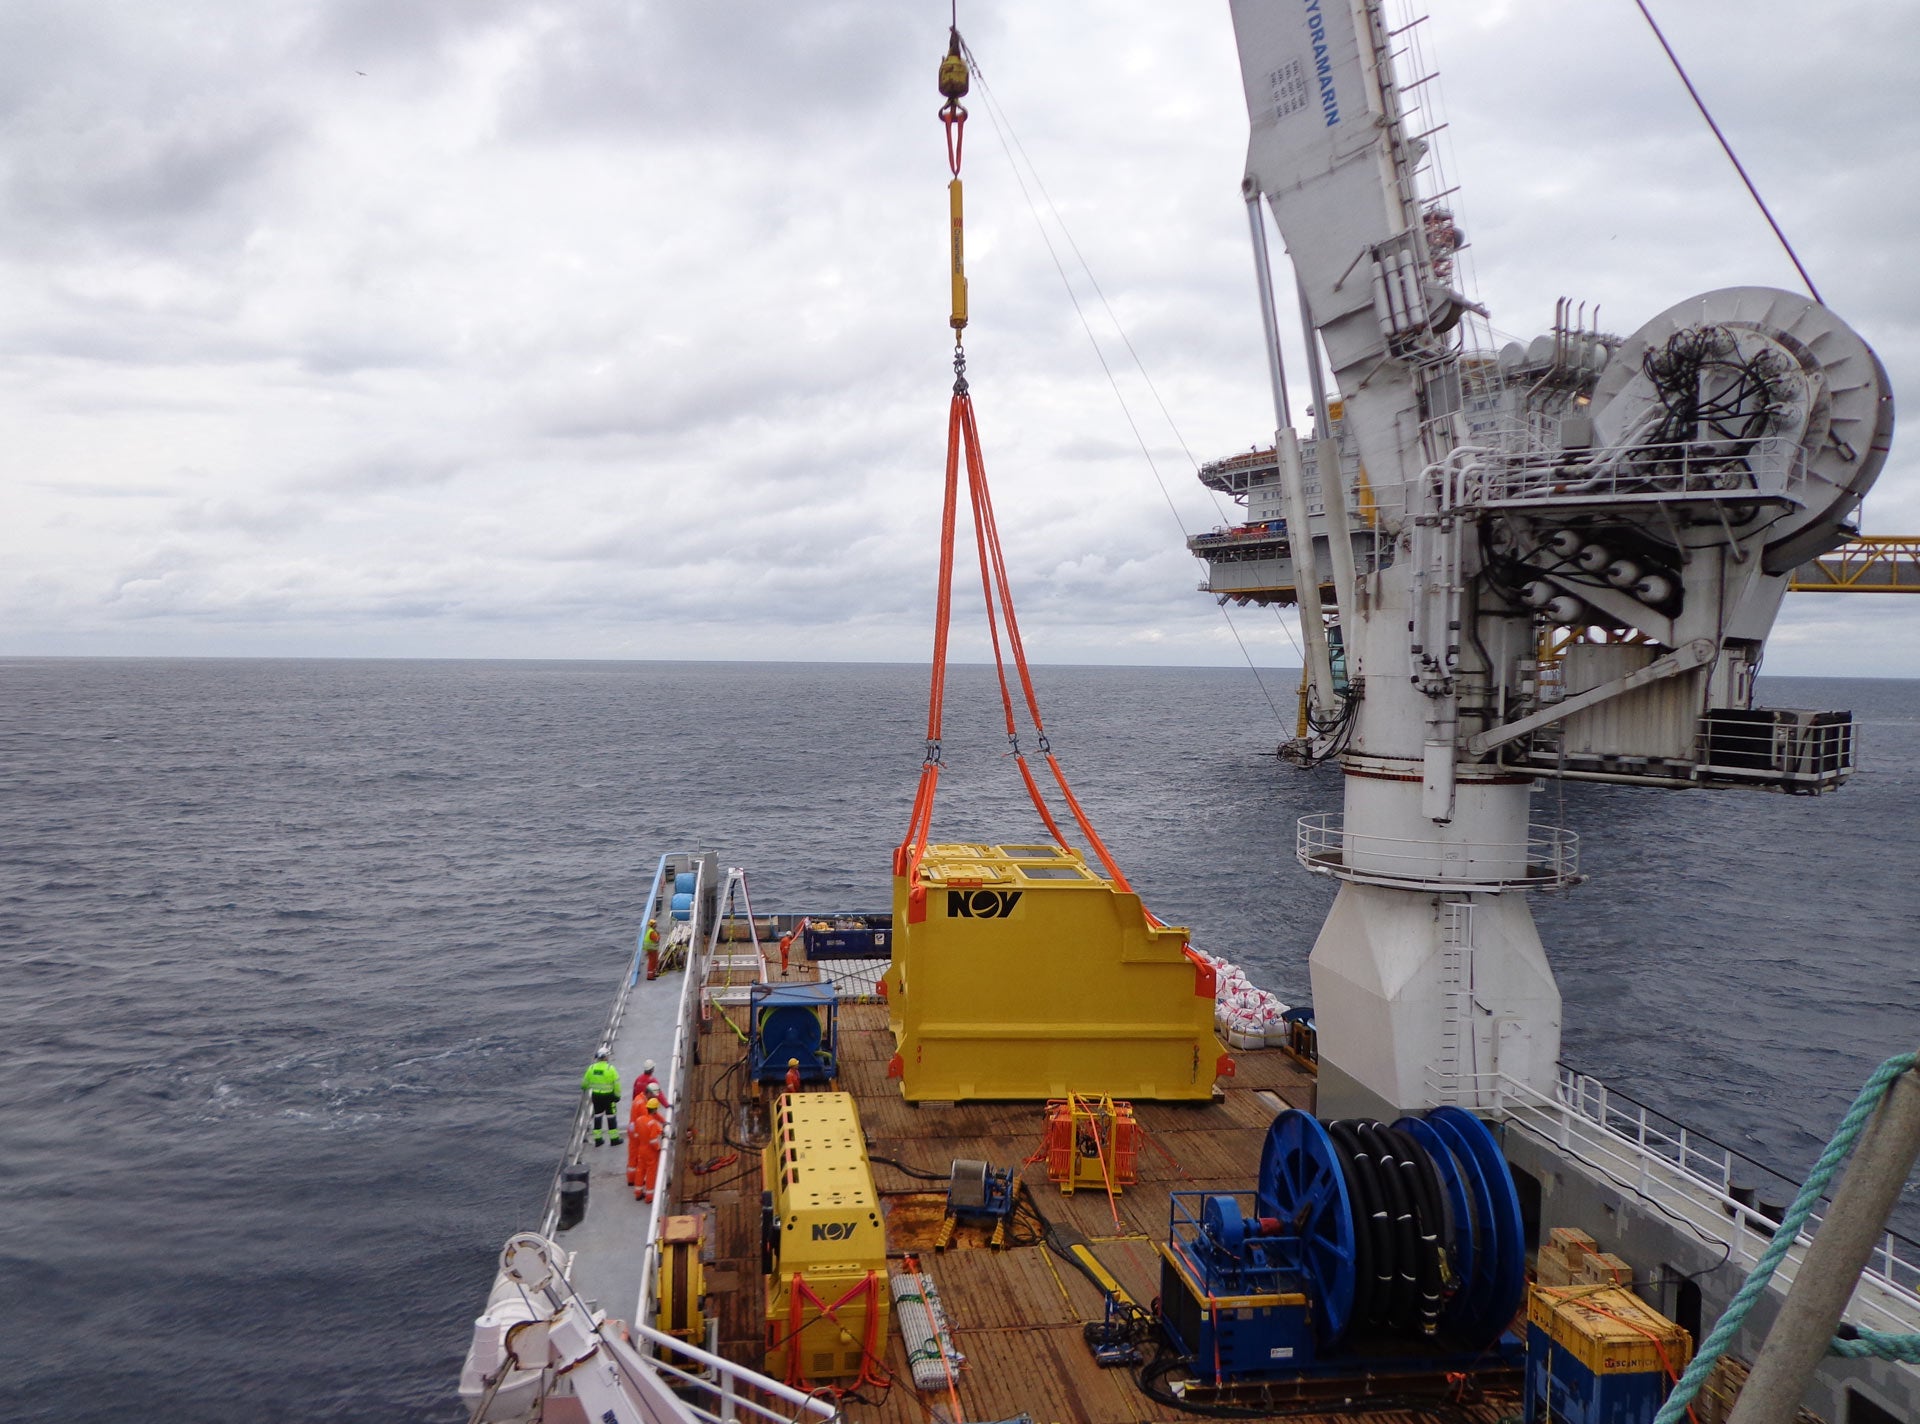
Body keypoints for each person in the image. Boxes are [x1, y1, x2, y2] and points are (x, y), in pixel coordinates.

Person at [582, 1051, 622, 1146]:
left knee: (598, 1116)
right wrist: (617, 1096)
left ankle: (598, 1140)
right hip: (609, 1097)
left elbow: (584, 1084)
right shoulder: (610, 1069)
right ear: (604, 1057)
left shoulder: (591, 1068)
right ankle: (614, 1139)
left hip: (596, 1096)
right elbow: (617, 1084)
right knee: (611, 1117)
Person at [629, 1097, 665, 1201]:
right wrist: (658, 1148)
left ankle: (638, 1193)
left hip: (641, 1148)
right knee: (651, 1172)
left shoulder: (639, 1120)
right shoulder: (652, 1123)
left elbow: (636, 1134)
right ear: (655, 1109)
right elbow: (653, 1140)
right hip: (650, 1151)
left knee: (640, 1170)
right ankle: (649, 1196)